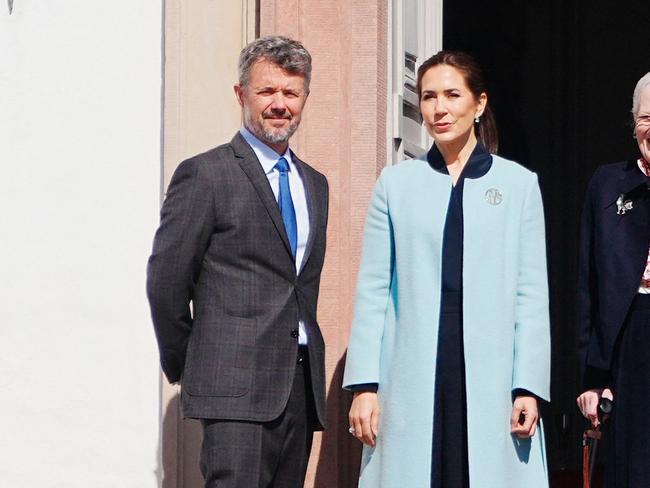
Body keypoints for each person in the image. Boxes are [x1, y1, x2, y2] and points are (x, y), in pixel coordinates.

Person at [343, 51, 550, 487]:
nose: (440, 108)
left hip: (492, 377)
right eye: (429, 96)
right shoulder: (395, 184)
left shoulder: (519, 186)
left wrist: (527, 384)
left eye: (453, 95)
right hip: (413, 373)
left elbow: (531, 294)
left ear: (479, 104)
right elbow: (373, 289)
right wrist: (364, 385)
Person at [146, 36, 329, 488]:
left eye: (291, 92)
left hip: (300, 389)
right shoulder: (205, 174)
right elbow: (166, 281)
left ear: (305, 96)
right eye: (267, 91)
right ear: (241, 94)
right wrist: (192, 362)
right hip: (232, 390)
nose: (280, 104)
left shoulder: (316, 185)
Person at [576, 71, 650, 488]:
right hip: (629, 341)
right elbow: (589, 286)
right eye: (647, 117)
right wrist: (592, 378)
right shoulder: (607, 184)